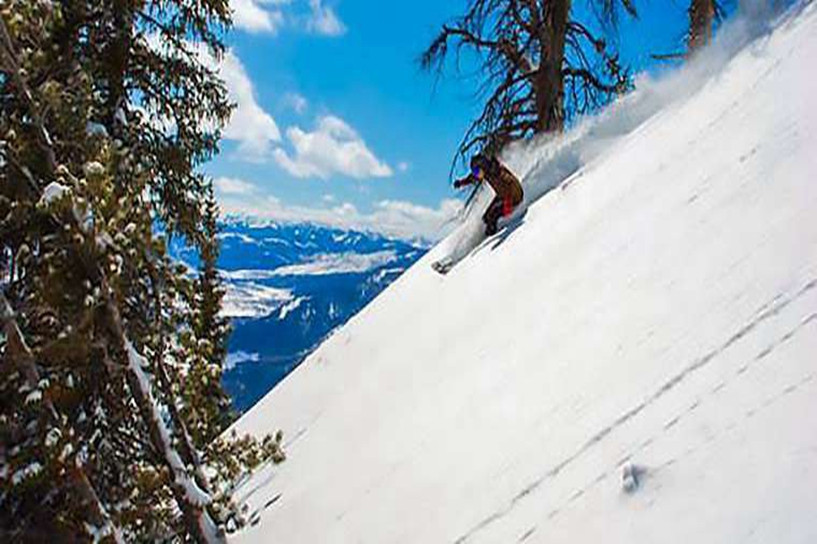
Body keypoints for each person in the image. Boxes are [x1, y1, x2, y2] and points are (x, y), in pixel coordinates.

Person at [454, 153, 524, 235]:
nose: (475, 174)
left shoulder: (497, 172)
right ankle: (490, 230)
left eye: (476, 171)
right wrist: (461, 183)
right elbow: (472, 178)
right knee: (486, 218)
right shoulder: (486, 172)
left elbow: (511, 183)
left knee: (493, 215)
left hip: (514, 196)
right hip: (502, 196)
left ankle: (492, 234)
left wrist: (508, 202)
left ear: (482, 166)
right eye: (474, 172)